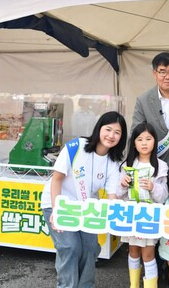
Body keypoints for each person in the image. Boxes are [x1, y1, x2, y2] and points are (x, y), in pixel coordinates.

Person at [41, 111, 128, 288]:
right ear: (99, 128)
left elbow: (112, 196)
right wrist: (56, 210)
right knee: (70, 247)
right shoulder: (76, 146)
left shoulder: (114, 162)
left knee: (90, 248)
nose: (111, 135)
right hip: (57, 203)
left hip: (85, 209)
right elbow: (56, 179)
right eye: (108, 129)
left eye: (117, 132)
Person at [117, 122, 169, 288]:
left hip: (149, 217)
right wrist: (123, 185)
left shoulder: (161, 166)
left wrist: (153, 187)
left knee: (148, 254)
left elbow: (164, 196)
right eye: (140, 139)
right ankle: (133, 285)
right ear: (134, 143)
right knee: (133, 251)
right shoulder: (127, 165)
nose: (144, 143)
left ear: (155, 141)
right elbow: (118, 194)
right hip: (132, 215)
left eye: (148, 139)